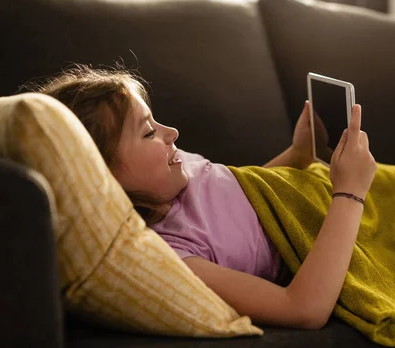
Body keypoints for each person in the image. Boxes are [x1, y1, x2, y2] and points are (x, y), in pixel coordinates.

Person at [21, 64, 377, 330]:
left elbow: (244, 206)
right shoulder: (174, 254)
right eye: (148, 132)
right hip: (351, 212)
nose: (172, 132)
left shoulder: (175, 174)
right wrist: (350, 192)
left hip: (324, 184)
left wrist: (297, 155)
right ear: (102, 175)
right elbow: (303, 307)